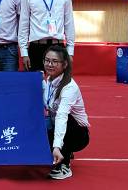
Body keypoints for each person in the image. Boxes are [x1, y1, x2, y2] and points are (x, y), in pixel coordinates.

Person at [19, 0, 75, 72]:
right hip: (36, 47)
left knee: (58, 81)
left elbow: (69, 24)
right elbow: (23, 26)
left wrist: (70, 52)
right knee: (36, 82)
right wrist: (24, 53)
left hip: (58, 47)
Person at [42, 44, 90, 180]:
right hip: (56, 125)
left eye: (54, 61)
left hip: (78, 134)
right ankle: (61, 150)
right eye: (47, 60)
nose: (49, 64)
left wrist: (56, 146)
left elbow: (62, 116)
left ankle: (64, 165)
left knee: (64, 118)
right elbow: (47, 104)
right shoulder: (49, 80)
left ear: (64, 64)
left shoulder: (69, 87)